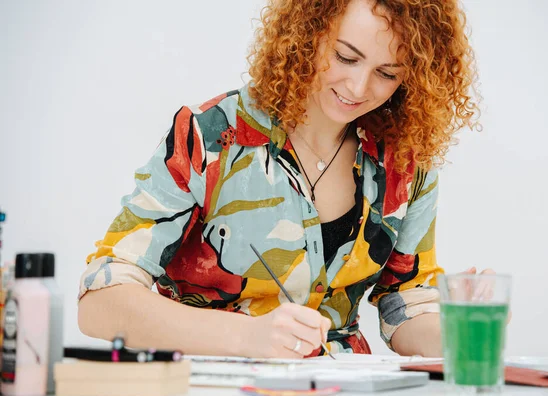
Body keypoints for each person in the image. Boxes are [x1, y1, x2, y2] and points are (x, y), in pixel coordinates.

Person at [78, 0, 485, 358]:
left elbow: (404, 305)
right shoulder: (212, 136)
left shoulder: (406, 160)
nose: (358, 87)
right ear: (309, 33)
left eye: (387, 72)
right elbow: (100, 301)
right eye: (345, 57)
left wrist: (463, 332)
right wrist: (247, 336)